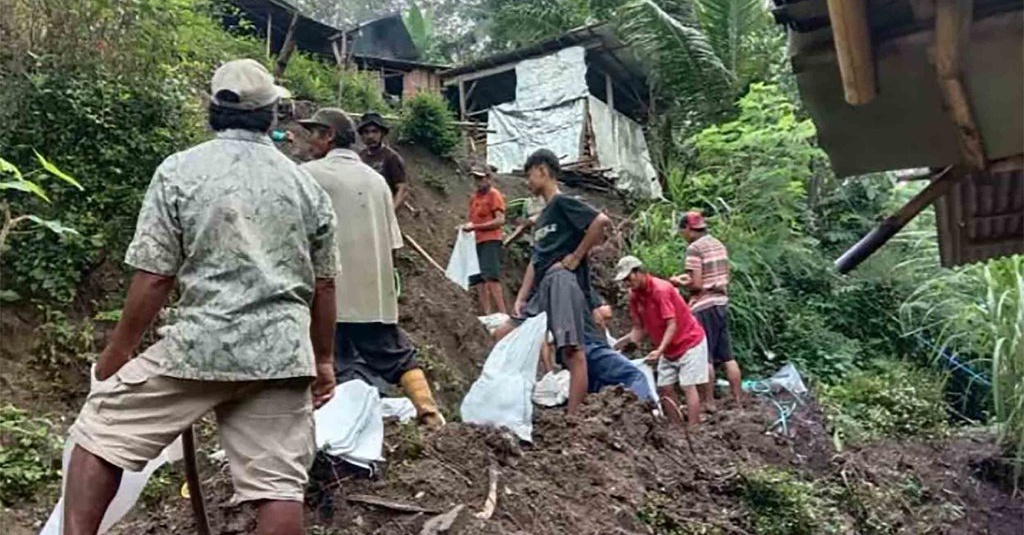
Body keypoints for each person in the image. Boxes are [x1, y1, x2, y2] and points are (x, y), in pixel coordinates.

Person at [62, 59, 338, 535]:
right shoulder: (305, 184)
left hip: (199, 348)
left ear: (213, 109)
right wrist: (326, 358)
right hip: (282, 355)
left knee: (100, 432)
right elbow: (326, 283)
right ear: (272, 113)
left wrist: (118, 352)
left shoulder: (179, 171)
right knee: (278, 486)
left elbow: (154, 277)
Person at [299, 108, 444, 429]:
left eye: (314, 133)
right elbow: (392, 242)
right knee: (396, 356)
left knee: (322, 363)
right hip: (373, 295)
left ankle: (327, 435)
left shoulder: (309, 175)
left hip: (327, 296)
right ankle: (430, 413)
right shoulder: (377, 182)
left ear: (329, 136)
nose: (309, 140)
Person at [499, 149, 611, 413]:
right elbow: (535, 261)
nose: (527, 182)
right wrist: (521, 297)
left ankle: (573, 419)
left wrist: (575, 256)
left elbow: (600, 221)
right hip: (543, 286)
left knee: (572, 351)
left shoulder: (563, 204)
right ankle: (510, 404)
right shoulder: (544, 217)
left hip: (562, 280)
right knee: (503, 333)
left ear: (542, 170)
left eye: (529, 175)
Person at [616, 256, 708, 427]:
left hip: (689, 342)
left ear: (639, 272)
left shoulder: (661, 289)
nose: (627, 283)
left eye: (629, 278)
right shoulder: (635, 296)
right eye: (625, 280)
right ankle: (676, 426)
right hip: (668, 349)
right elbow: (639, 328)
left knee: (688, 385)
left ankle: (693, 429)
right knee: (664, 387)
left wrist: (659, 351)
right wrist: (621, 349)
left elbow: (671, 324)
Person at [672, 211, 743, 410]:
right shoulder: (718, 244)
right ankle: (738, 400)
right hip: (721, 301)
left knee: (706, 356)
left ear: (687, 229)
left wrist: (678, 282)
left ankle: (708, 402)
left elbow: (696, 284)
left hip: (703, 305)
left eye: (682, 231)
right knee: (728, 356)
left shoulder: (694, 249)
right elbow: (719, 274)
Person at [463, 163, 508, 315]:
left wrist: (476, 227)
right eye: (475, 179)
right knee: (478, 279)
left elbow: (500, 220)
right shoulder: (474, 198)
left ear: (488, 178)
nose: (477, 182)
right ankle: (487, 314)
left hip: (490, 240)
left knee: (491, 276)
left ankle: (503, 313)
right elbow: (473, 220)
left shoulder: (494, 195)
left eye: (480, 178)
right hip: (476, 241)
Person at [357, 111, 409, 209]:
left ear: (382, 134)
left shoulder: (391, 157)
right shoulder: (359, 157)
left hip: (383, 210)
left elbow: (402, 189)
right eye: (366, 132)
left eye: (375, 131)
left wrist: (391, 213)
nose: (370, 136)